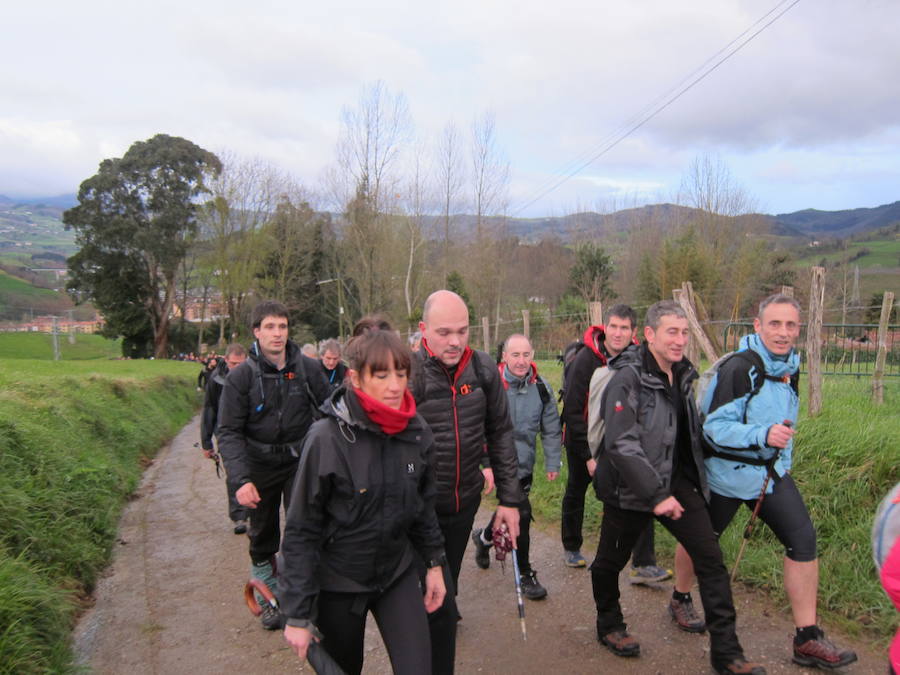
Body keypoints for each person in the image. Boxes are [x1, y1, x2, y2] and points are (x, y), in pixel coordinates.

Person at [670, 293, 857, 670]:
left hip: (769, 477)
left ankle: (807, 638)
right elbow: (714, 428)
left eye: (790, 325)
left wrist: (780, 459)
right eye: (774, 323)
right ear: (757, 326)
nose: (783, 332)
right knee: (700, 540)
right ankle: (680, 597)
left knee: (803, 541)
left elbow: (786, 421)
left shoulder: (790, 366)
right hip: (723, 475)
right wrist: (762, 435)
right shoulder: (741, 368)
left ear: (799, 330)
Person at [591, 300, 764, 675]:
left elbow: (687, 433)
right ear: (649, 335)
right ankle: (610, 624)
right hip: (631, 488)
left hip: (679, 482)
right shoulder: (627, 378)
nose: (681, 340)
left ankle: (727, 653)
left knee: (711, 560)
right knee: (609, 563)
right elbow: (621, 443)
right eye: (673, 331)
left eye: (685, 332)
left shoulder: (684, 374)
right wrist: (655, 494)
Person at [279, 322, 447, 675]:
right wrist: (297, 612)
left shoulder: (417, 433)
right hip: (338, 583)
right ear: (356, 378)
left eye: (401, 374)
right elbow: (301, 529)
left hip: (396, 573)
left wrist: (433, 565)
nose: (395, 386)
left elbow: (422, 508)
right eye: (382, 375)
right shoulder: (326, 439)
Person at [412, 289, 523, 675]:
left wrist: (510, 500)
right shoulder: (409, 373)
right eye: (444, 332)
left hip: (465, 499)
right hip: (420, 508)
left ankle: (444, 610)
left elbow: (501, 432)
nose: (456, 341)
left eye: (462, 330)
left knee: (449, 574)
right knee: (427, 588)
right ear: (423, 330)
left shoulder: (484, 369)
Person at [217, 300, 330, 630]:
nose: (277, 333)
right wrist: (240, 480)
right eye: (270, 327)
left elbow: (329, 411)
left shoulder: (308, 369)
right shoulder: (241, 377)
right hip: (259, 464)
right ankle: (268, 597)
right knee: (263, 534)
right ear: (256, 331)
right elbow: (228, 431)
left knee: (306, 527)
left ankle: (305, 599)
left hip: (300, 461)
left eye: (282, 326)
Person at [560, 304, 670, 584]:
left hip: (623, 442)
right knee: (577, 489)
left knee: (640, 490)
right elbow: (572, 411)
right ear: (604, 327)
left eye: (624, 328)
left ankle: (643, 563)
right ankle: (572, 546)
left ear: (634, 332)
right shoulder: (586, 361)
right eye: (613, 327)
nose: (618, 333)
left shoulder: (641, 360)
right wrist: (588, 455)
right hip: (583, 439)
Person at [471, 333, 562, 600]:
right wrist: (484, 463)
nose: (521, 361)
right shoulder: (490, 385)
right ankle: (524, 572)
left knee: (510, 508)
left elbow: (551, 428)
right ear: (504, 357)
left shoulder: (542, 388)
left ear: (532, 356)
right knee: (521, 512)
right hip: (497, 462)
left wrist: (553, 460)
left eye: (526, 355)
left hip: (524, 464)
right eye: (515, 355)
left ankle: (485, 537)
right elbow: (476, 427)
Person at [199, 343, 250, 534]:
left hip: (250, 431)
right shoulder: (216, 379)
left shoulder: (253, 376)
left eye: (241, 364)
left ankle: (255, 510)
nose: (237, 368)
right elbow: (209, 409)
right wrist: (206, 442)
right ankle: (239, 516)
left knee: (255, 471)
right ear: (226, 361)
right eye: (234, 364)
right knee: (235, 473)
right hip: (227, 432)